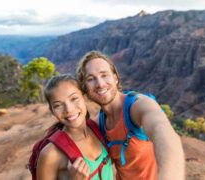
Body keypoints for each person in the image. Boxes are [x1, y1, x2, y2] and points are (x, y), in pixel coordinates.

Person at [77, 51, 185, 180]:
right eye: (90, 79)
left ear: (115, 78)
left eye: (104, 75)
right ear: (85, 87)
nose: (100, 84)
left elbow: (164, 134)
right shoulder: (98, 124)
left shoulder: (138, 106)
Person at [36, 74, 113, 180]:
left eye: (74, 98)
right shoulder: (51, 154)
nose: (69, 109)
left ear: (85, 98)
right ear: (52, 111)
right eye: (58, 105)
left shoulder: (98, 129)